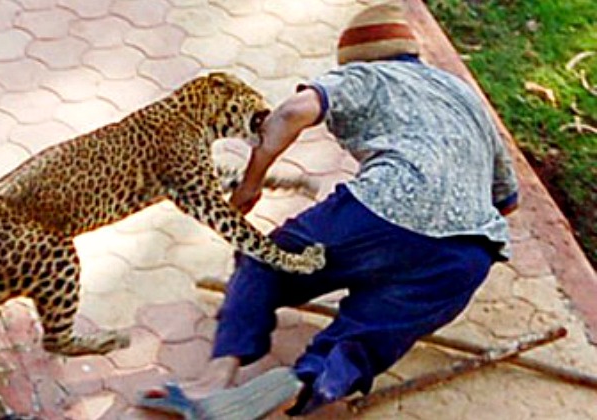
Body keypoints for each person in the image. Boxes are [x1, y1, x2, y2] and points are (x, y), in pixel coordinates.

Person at [139, 1, 519, 418]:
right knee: (369, 331)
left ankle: (215, 379)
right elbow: (506, 201)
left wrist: (250, 186)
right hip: (468, 254)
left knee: (262, 261)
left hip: (385, 204)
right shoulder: (462, 96)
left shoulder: (366, 75)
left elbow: (291, 113)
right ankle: (315, 377)